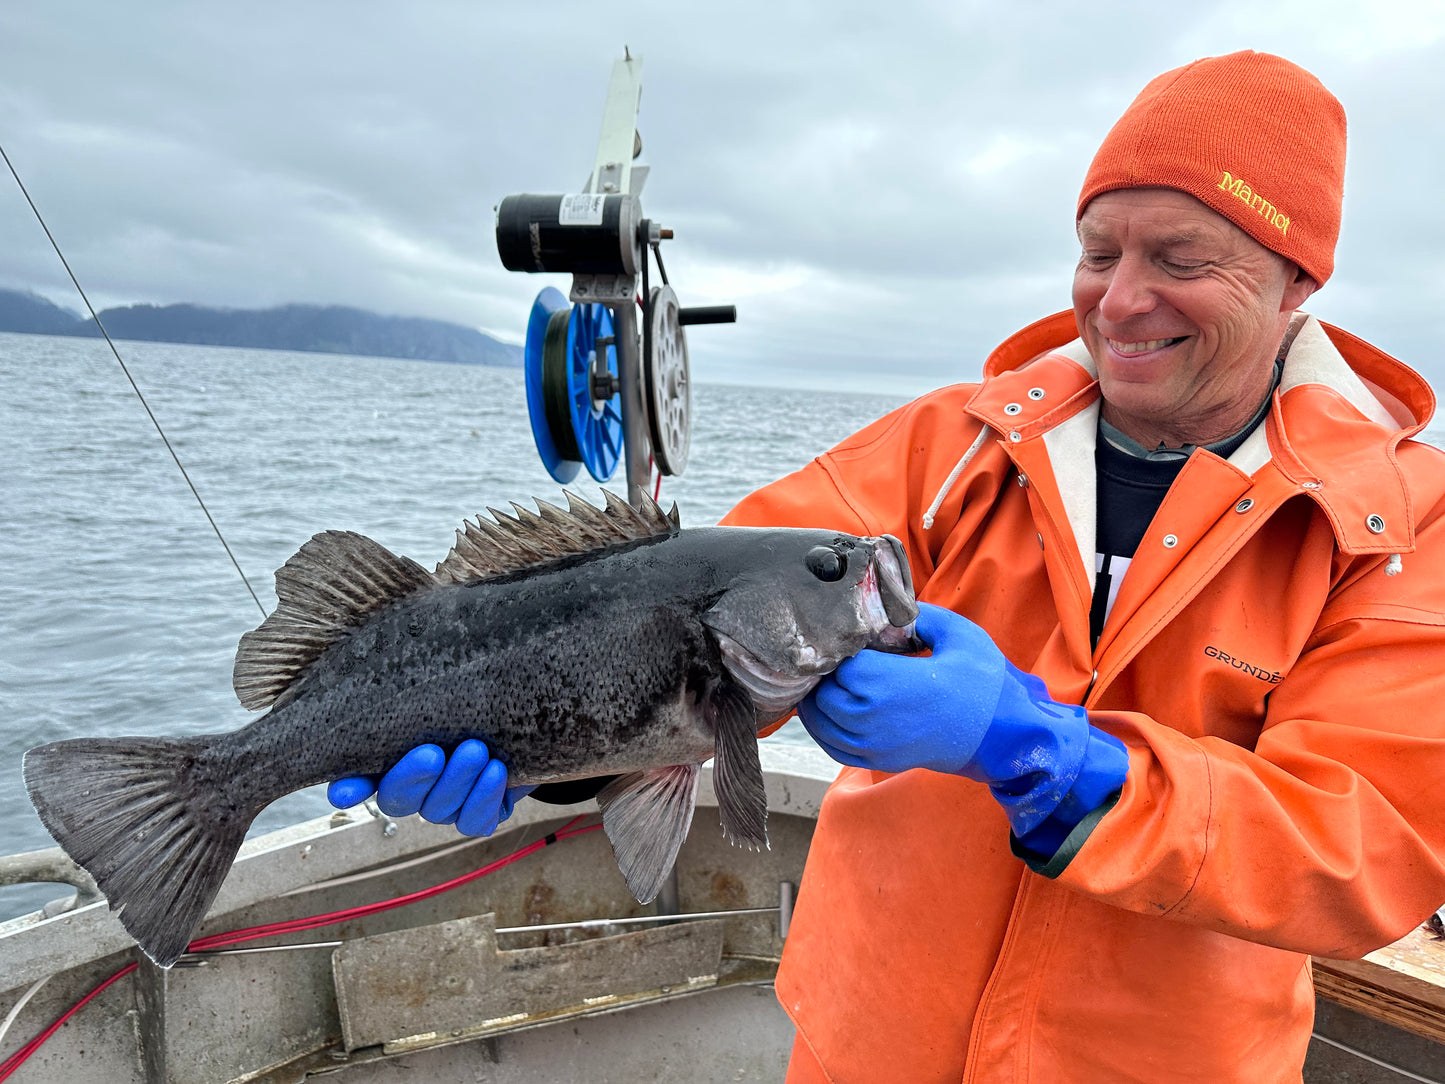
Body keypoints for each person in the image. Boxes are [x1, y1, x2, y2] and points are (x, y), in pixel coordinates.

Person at [329, 52, 1445, 1082]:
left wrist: (1042, 755)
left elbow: (1360, 847)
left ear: (1296, 279)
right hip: (861, 1047)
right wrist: (550, 758)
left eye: (1179, 259)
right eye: (1097, 251)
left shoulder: (1402, 520)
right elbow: (692, 624)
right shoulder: (949, 445)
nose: (1117, 299)